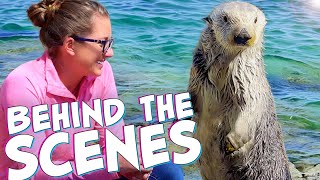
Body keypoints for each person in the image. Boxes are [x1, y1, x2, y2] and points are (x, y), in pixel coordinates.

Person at [0, 0, 184, 179]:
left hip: (81, 172)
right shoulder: (23, 84)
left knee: (167, 170)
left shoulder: (101, 74)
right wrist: (112, 167)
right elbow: (36, 173)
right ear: (70, 45)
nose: (109, 52)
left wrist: (129, 163)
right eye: (102, 43)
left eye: (110, 42)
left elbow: (114, 143)